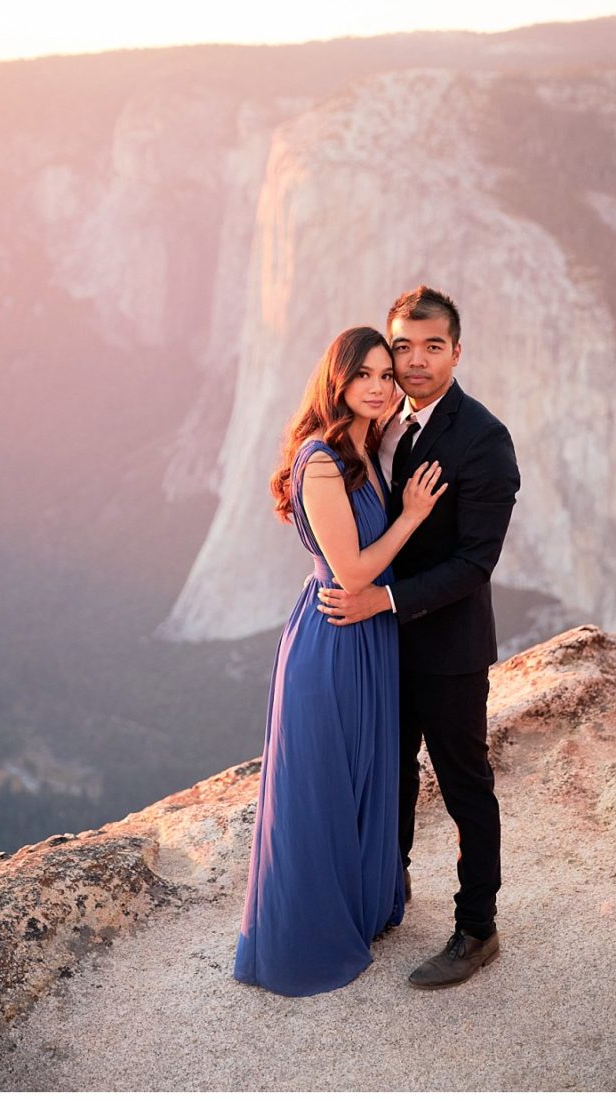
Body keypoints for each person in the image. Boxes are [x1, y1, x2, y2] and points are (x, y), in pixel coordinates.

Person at [234, 326, 446, 997]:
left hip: (370, 636)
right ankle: (309, 933)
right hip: (333, 637)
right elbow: (351, 570)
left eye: (388, 373)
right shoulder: (321, 459)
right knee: (324, 782)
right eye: (366, 375)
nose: (381, 385)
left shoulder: (367, 446)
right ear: (338, 380)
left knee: (367, 770)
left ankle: (361, 904)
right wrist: (411, 516)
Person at [318, 286, 520, 989]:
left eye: (433, 346)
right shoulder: (384, 424)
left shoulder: (485, 439)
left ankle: (477, 927)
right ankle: (388, 892)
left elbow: (476, 561)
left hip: (451, 650)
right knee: (391, 774)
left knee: (466, 785)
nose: (415, 360)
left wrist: (385, 597)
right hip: (383, 646)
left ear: (456, 352)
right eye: (402, 345)